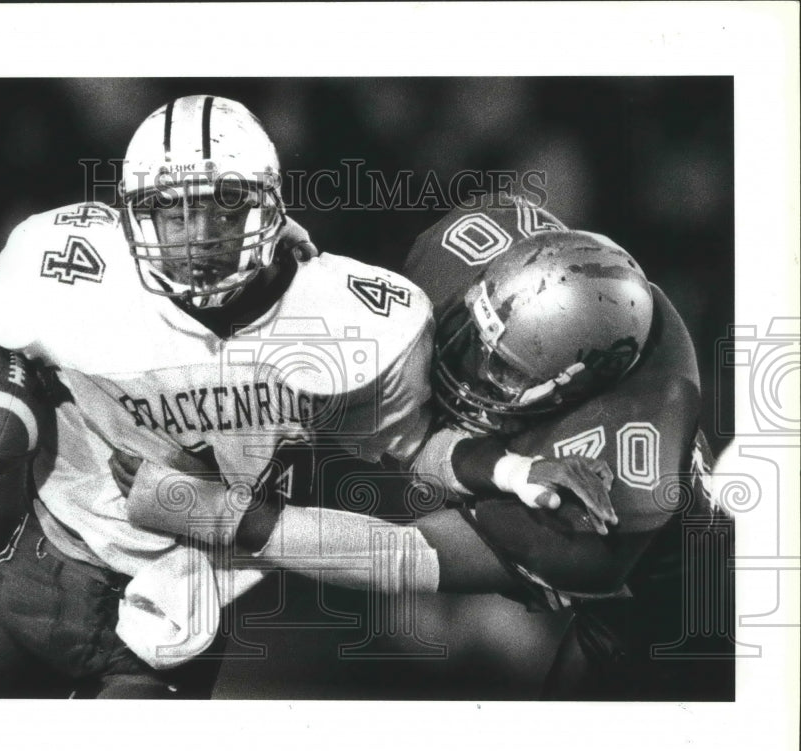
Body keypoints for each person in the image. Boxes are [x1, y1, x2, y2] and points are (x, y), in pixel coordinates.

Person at [0, 97, 610, 698]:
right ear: (134, 214)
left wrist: (514, 472)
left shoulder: (352, 317)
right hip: (47, 570)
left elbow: (415, 446)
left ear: (268, 208)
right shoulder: (75, 271)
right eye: (173, 211)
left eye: (225, 207)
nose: (198, 235)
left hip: (186, 600)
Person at [118, 197, 735, 700]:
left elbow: (396, 553)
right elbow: (374, 335)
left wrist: (204, 510)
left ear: (569, 393)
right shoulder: (485, 258)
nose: (464, 372)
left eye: (501, 374)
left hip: (682, 645)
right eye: (473, 335)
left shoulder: (611, 502)